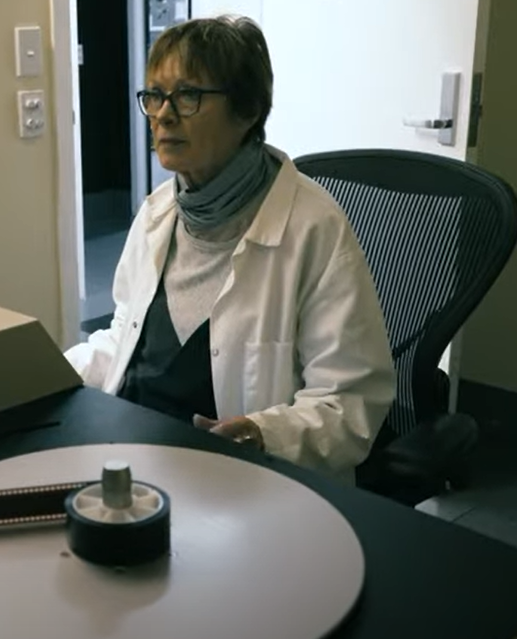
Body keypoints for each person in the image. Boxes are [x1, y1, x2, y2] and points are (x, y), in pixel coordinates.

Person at [65, 15, 395, 483]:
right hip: (136, 457)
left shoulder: (313, 228)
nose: (163, 115)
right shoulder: (157, 213)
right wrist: (49, 372)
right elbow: (125, 336)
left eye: (188, 95)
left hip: (246, 484)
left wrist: (262, 435)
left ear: (247, 110)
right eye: (155, 95)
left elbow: (349, 402)